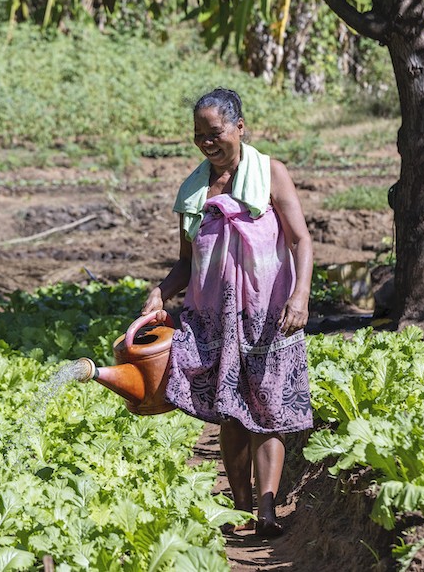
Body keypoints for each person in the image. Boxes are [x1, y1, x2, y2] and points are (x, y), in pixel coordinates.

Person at [140, 87, 313, 537]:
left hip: (269, 312)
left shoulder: (271, 173)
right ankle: (240, 506)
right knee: (232, 413)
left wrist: (301, 296)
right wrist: (160, 292)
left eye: (215, 132)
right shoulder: (194, 190)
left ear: (240, 127)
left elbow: (300, 240)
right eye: (199, 136)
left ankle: (268, 510)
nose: (207, 143)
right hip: (215, 318)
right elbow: (186, 262)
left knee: (268, 409)